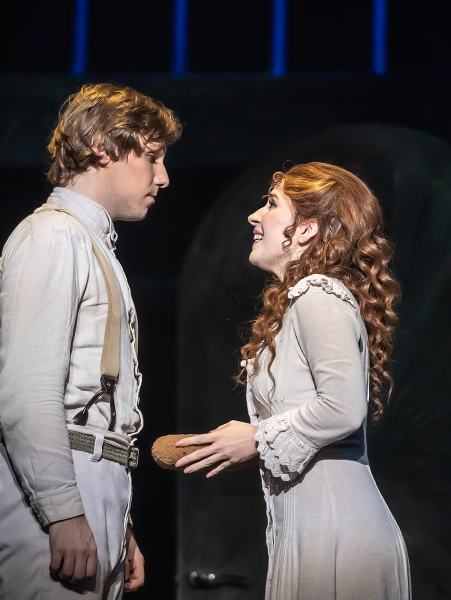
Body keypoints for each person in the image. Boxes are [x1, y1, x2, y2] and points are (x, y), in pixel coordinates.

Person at [0, 82, 182, 599]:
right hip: (54, 487)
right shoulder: (54, 236)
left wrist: (117, 520)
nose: (163, 176)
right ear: (103, 147)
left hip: (90, 481)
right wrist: (63, 511)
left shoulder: (86, 240)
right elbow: (28, 392)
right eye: (152, 157)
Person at [175, 162, 411, 599]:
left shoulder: (318, 294)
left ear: (306, 229)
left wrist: (256, 439)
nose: (255, 216)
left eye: (271, 204)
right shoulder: (303, 300)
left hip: (337, 536)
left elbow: (343, 407)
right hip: (314, 530)